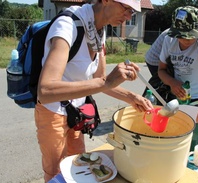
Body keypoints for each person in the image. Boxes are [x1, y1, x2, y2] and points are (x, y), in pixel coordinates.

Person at [35, 0, 153, 181]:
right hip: (52, 112)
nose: (129, 16)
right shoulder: (68, 25)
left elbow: (101, 80)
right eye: (126, 8)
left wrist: (132, 97)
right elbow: (45, 90)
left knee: (80, 165)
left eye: (133, 12)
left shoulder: (98, 30)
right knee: (56, 172)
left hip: (75, 112)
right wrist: (107, 82)